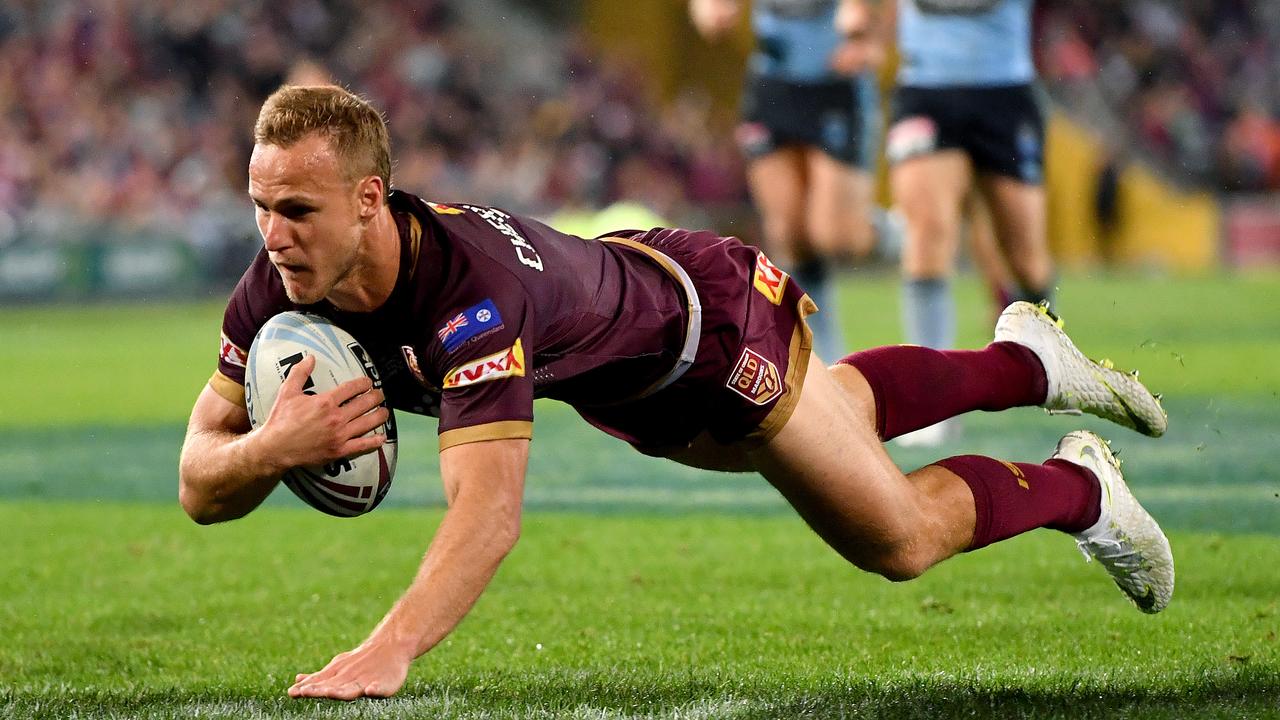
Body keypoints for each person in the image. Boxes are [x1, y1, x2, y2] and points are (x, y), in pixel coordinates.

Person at [179, 85, 1173, 701]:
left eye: (296, 209)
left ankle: (1079, 491)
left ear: (368, 200)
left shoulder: (468, 302)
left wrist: (387, 650)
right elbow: (197, 480)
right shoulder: (278, 283)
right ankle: (1026, 363)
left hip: (709, 329)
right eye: (261, 206)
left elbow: (487, 514)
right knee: (842, 421)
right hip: (625, 376)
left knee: (897, 538)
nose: (272, 233)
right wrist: (270, 450)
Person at [883, 0, 1055, 444]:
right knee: (928, 230)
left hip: (1004, 90)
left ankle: (1039, 355)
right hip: (925, 88)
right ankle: (930, 399)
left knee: (1028, 260)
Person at [689, 0, 888, 362]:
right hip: (772, 85)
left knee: (836, 234)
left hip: (837, 83)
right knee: (789, 234)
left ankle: (894, 232)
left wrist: (874, 39)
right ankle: (824, 356)